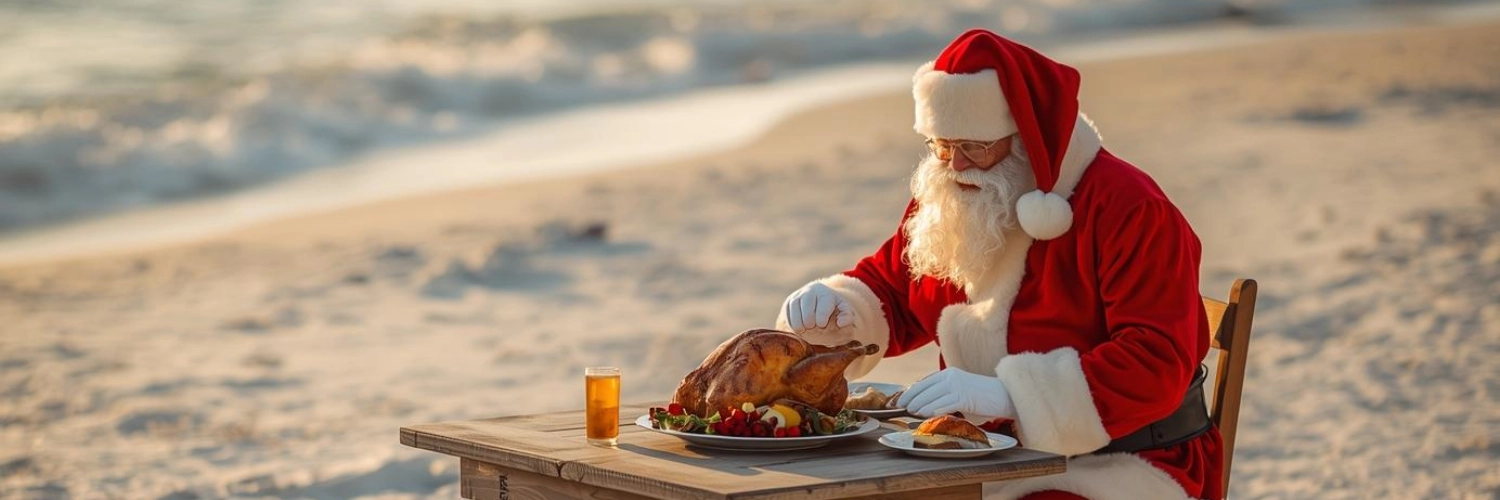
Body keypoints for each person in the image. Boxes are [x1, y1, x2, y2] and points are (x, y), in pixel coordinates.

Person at [775, 29, 1223, 500]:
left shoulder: (1130, 208)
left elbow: (1155, 362)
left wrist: (1011, 395)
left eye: (975, 146)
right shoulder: (957, 190)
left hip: (1124, 461)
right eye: (941, 145)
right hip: (985, 453)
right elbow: (895, 289)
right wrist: (837, 308)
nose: (956, 165)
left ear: (1029, 137)